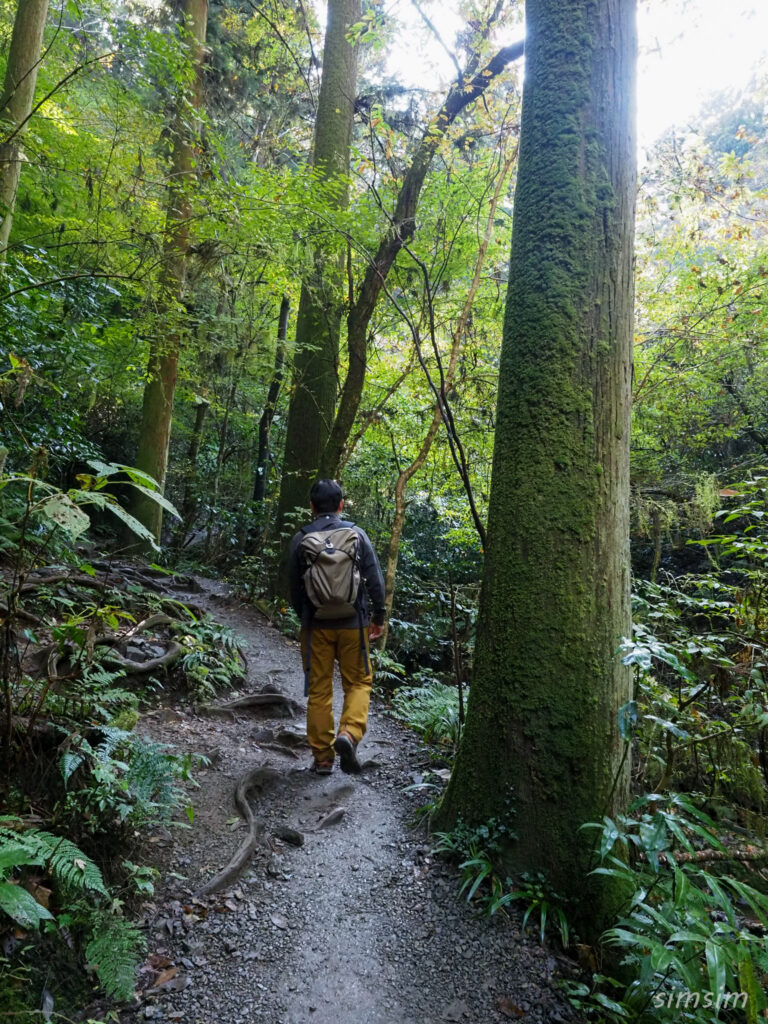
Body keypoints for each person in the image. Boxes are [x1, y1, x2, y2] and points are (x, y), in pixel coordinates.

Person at [288, 478, 386, 775]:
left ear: (311, 507)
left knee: (319, 691)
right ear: (341, 505)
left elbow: (293, 587)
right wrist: (378, 616)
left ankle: (323, 758)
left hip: (315, 625)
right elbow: (374, 579)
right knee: (359, 683)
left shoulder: (301, 538)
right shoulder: (356, 535)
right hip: (352, 624)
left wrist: (305, 616)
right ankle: (349, 733)